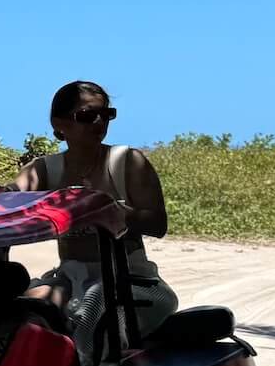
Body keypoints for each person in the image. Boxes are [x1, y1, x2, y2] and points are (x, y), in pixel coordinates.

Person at [17, 80, 178, 349]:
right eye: (87, 115)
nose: (99, 122)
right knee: (23, 314)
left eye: (106, 114)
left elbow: (158, 224)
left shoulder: (127, 161)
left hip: (132, 281)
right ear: (59, 124)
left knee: (91, 318)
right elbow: (11, 197)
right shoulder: (45, 169)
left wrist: (114, 212)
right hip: (70, 278)